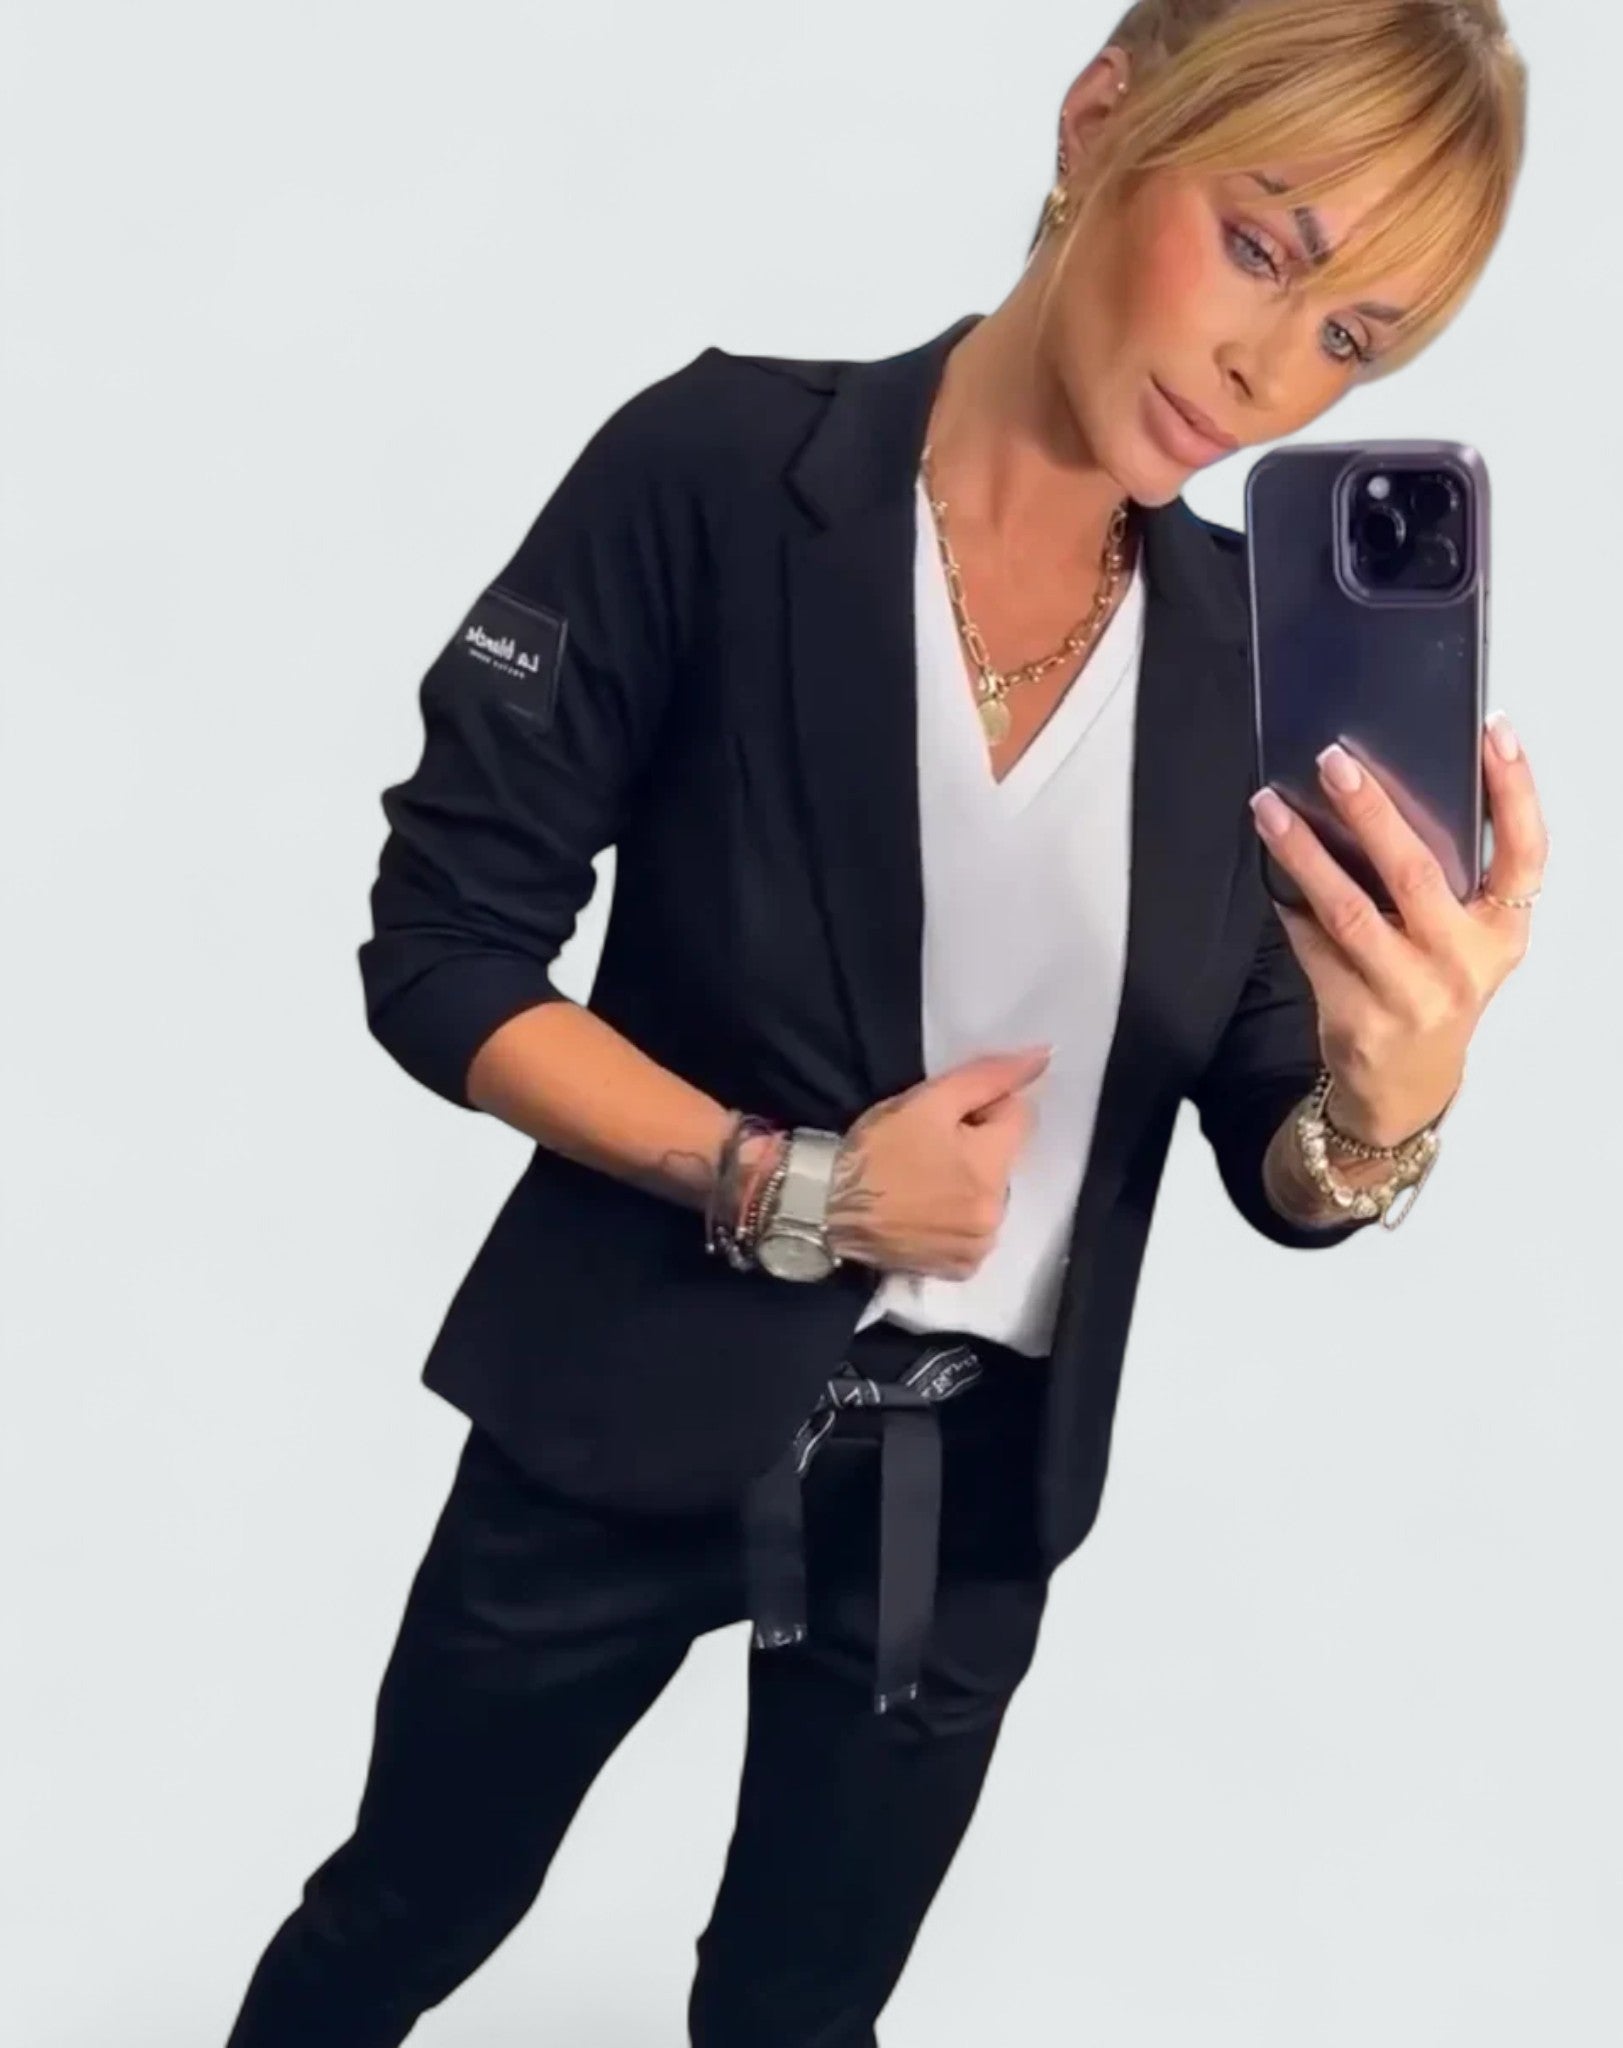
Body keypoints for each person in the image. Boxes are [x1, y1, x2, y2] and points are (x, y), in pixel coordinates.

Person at [222, 2, 1541, 2041]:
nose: (1269, 372)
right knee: (404, 1914)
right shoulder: (720, 471)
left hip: (965, 1493)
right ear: (1101, 116)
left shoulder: (1244, 671)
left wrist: (1389, 1099)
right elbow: (445, 947)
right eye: (1261, 249)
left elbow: (1276, 1143)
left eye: (1352, 338)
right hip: (621, 1400)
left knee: (799, 2015)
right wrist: (797, 1183)